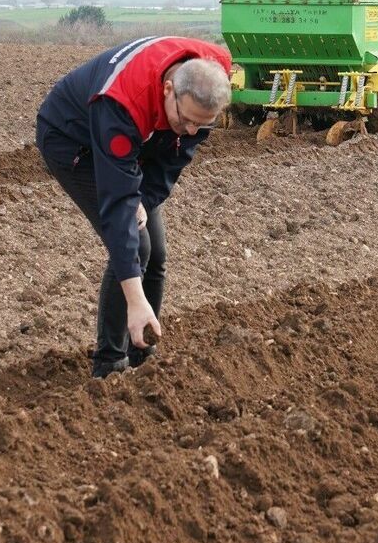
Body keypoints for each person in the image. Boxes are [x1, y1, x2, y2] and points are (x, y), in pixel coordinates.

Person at [36, 36, 232, 378]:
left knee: (156, 254)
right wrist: (135, 299)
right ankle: (110, 365)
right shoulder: (121, 103)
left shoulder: (211, 76)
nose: (191, 130)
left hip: (141, 137)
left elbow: (175, 155)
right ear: (169, 89)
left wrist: (146, 199)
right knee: (136, 246)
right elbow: (118, 208)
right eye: (186, 119)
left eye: (202, 124)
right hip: (73, 141)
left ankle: (142, 351)